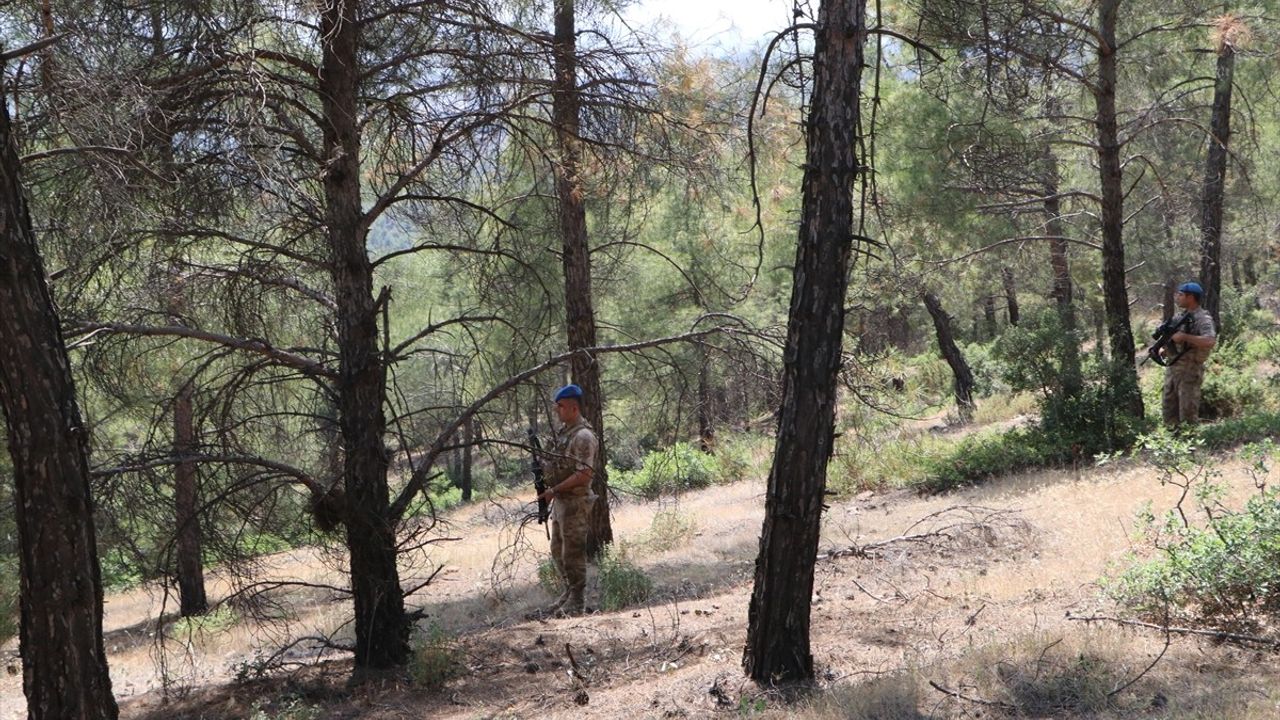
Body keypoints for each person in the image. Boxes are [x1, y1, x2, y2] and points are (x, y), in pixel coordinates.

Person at [537, 384, 598, 617]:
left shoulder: (583, 436)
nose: (557, 411)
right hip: (562, 502)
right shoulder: (566, 432)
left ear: (573, 408)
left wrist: (555, 489)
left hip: (575, 502)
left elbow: (584, 473)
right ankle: (568, 594)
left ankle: (577, 602)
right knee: (558, 551)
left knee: (573, 553)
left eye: (560, 407)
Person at [1162, 281, 1217, 428]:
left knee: (1187, 413)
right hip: (1173, 370)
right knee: (1169, 411)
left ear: (1190, 297)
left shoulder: (1203, 319)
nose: (1177, 297)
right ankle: (1171, 446)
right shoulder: (1179, 317)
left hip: (1190, 371)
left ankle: (1189, 446)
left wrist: (1185, 337)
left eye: (1180, 295)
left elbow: (1210, 341)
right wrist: (1164, 349)